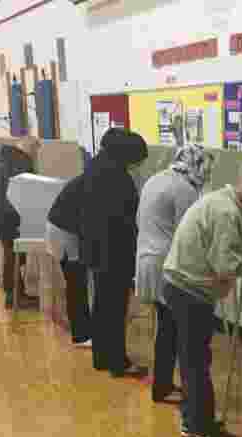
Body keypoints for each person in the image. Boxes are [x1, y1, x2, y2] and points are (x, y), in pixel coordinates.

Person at [162, 174, 242, 437]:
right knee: (197, 362)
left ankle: (194, 420)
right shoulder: (227, 212)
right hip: (190, 291)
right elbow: (225, 265)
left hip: (180, 285)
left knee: (191, 360)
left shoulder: (218, 200)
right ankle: (199, 428)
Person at [136, 143, 213, 403]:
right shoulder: (185, 190)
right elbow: (189, 233)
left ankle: (163, 384)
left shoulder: (155, 179)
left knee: (166, 327)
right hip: (167, 265)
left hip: (147, 258)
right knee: (178, 331)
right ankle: (175, 389)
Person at [81, 128, 149, 378]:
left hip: (96, 248)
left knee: (101, 306)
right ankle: (118, 362)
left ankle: (102, 357)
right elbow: (125, 217)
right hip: (114, 252)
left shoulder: (95, 166)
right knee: (114, 309)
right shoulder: (116, 176)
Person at [0, 137, 40, 309]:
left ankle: (13, 293)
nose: (35, 154)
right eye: (35, 150)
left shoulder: (1, 160)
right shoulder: (21, 162)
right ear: (29, 147)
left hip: (0, 215)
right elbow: (28, 191)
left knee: (10, 255)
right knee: (15, 256)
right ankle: (15, 297)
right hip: (13, 217)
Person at [46, 172, 92, 347]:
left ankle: (81, 328)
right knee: (76, 283)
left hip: (61, 231)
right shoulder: (92, 184)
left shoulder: (85, 179)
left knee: (75, 283)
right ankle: (81, 335)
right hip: (65, 235)